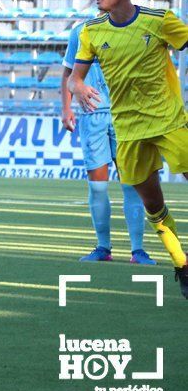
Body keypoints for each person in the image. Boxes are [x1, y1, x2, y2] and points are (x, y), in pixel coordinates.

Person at [69, 0, 188, 298]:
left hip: (169, 122)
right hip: (128, 130)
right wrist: (77, 87)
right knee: (153, 205)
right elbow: (76, 76)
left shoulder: (159, 21)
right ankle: (182, 263)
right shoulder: (91, 31)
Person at [60, 21, 152, 264]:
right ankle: (103, 247)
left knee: (131, 183)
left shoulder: (135, 28)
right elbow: (68, 73)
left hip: (127, 116)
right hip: (93, 115)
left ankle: (138, 250)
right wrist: (66, 108)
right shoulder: (81, 31)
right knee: (97, 186)